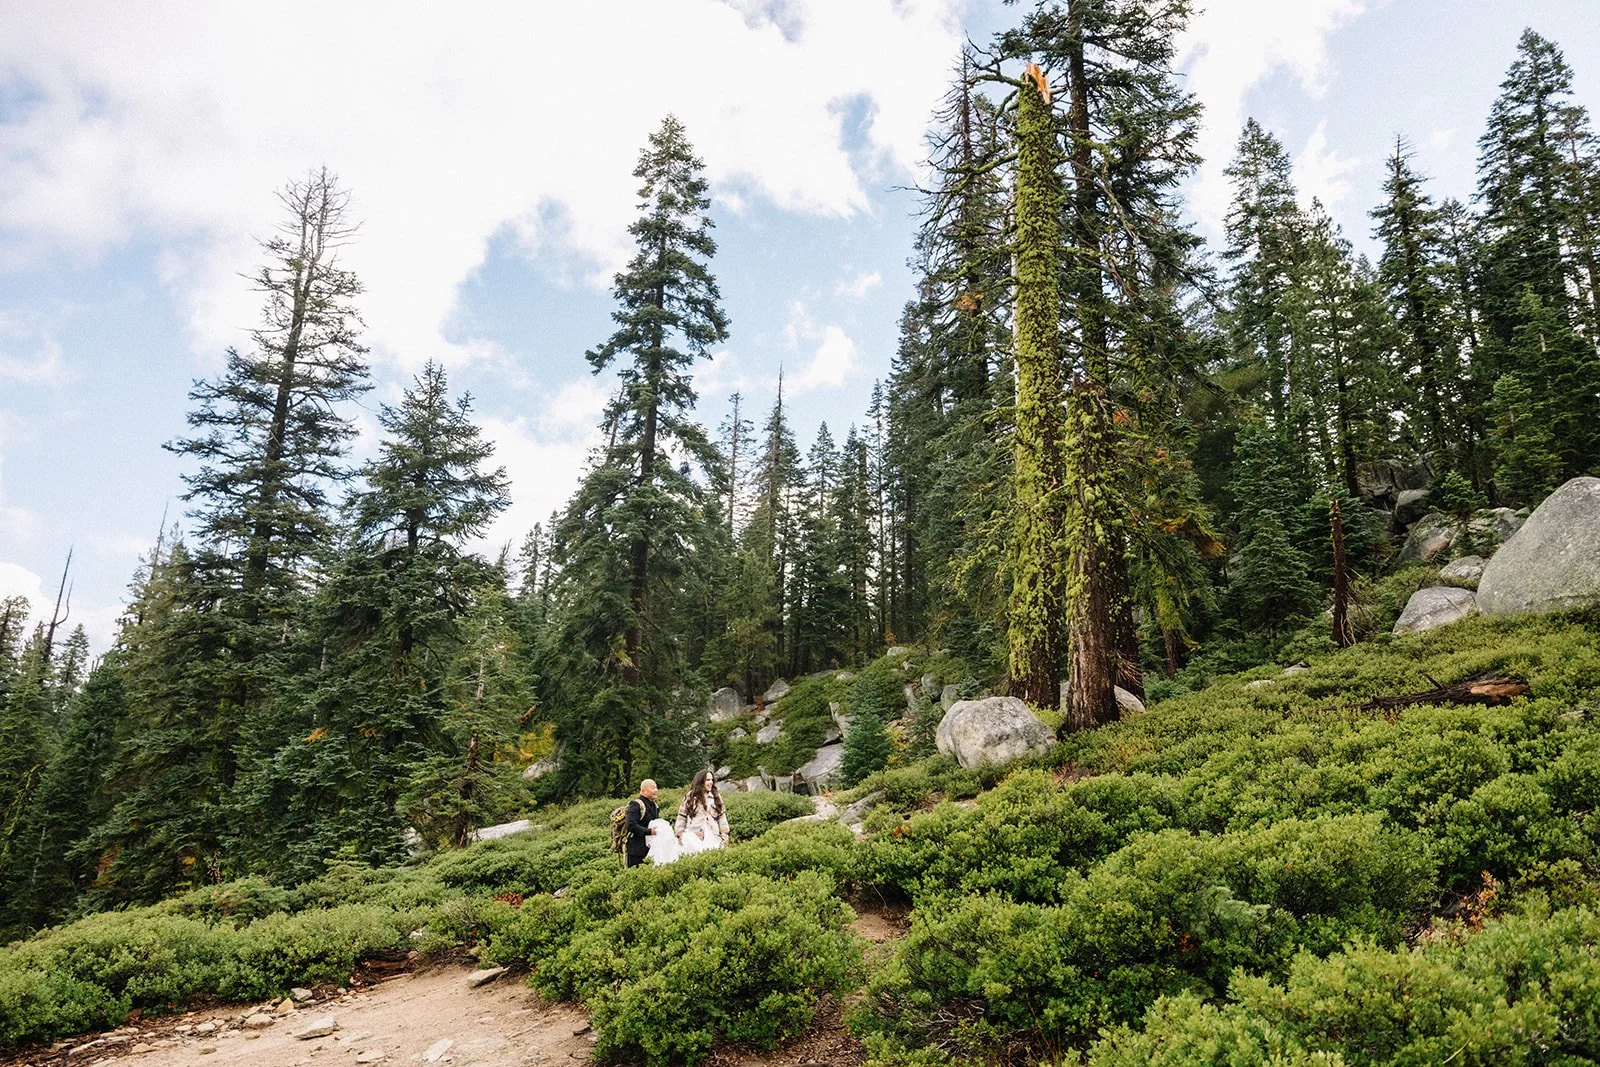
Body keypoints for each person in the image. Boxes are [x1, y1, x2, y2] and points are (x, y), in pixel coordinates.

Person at [674, 768, 729, 856]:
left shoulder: (716, 796)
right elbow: (682, 816)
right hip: (693, 838)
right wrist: (680, 834)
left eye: (712, 780)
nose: (711, 782)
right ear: (701, 781)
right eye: (708, 780)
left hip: (713, 837)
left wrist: (724, 835)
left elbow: (722, 816)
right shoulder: (690, 796)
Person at [624, 778, 661, 868]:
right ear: (643, 790)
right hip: (636, 850)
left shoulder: (654, 805)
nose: (656, 790)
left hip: (650, 848)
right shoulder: (635, 804)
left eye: (656, 788)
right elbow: (631, 824)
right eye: (652, 788)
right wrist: (649, 831)